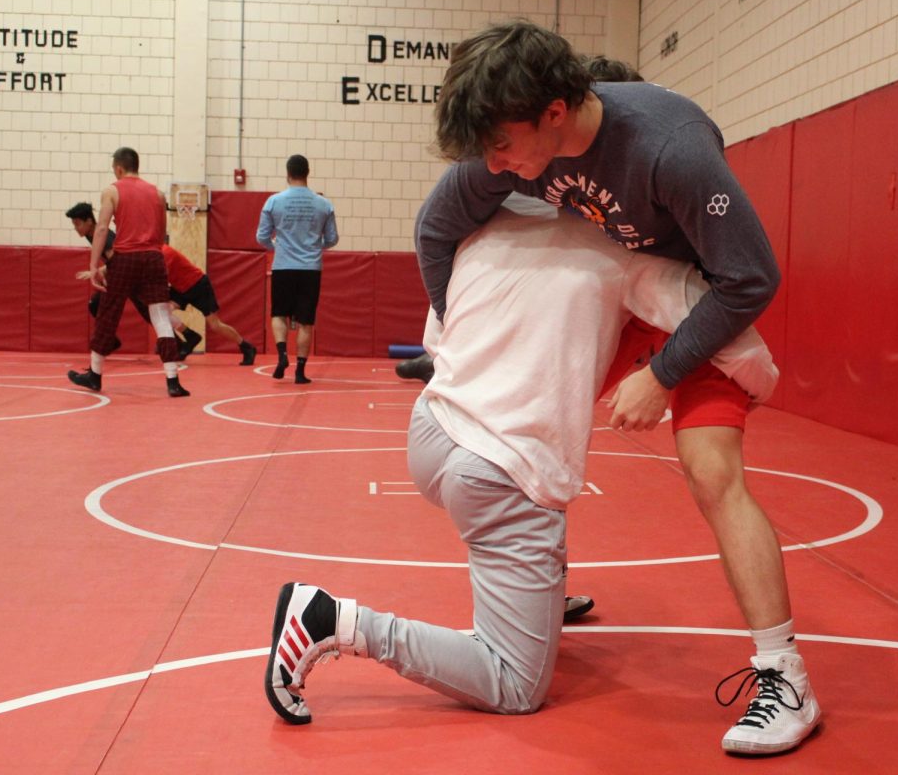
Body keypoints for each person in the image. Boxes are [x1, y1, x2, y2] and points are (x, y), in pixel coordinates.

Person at [410, 21, 818, 756]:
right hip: (618, 290)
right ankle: (538, 586)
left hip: (691, 306)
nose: (494, 164)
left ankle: (785, 677)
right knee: (522, 422)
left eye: (502, 145)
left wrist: (662, 377)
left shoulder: (671, 150)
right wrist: (458, 331)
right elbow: (435, 226)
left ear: (555, 115)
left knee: (712, 473)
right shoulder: (510, 143)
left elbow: (751, 278)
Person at [264, 197, 779, 728]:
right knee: (514, 683)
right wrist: (760, 387)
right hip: (500, 471)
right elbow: (729, 331)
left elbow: (434, 339)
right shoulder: (628, 258)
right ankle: (330, 620)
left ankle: (542, 593)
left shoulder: (485, 229)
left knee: (527, 484)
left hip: (433, 433)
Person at [392, 53, 642, 387]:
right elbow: (432, 228)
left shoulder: (633, 160)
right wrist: (450, 321)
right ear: (560, 115)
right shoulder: (509, 162)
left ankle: (443, 352)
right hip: (486, 309)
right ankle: (441, 352)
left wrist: (660, 374)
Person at [67, 147, 190, 398]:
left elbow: (101, 229)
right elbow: (162, 232)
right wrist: (152, 253)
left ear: (119, 168)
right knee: (161, 317)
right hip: (154, 257)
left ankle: (95, 374)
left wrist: (93, 267)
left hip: (126, 256)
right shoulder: (156, 193)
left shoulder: (112, 190)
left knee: (108, 312)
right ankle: (173, 380)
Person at [256, 154, 339, 384]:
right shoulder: (324, 204)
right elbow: (332, 239)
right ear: (307, 173)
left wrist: (276, 247)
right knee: (306, 321)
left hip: (283, 266)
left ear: (288, 173)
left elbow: (261, 236)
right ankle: (300, 371)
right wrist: (314, 246)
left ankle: (282, 354)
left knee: (278, 314)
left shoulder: (274, 202)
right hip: (310, 268)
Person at [66, 202, 157, 355]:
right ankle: (109, 341)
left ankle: (105, 345)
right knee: (98, 304)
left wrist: (97, 271)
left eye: (78, 224)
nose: (76, 229)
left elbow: (118, 260)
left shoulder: (102, 235)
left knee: (148, 311)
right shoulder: (91, 235)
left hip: (130, 275)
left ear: (89, 221)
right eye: (74, 225)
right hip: (124, 274)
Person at [160, 242, 258, 364]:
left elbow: (160, 278)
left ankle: (246, 346)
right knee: (162, 312)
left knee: (215, 325)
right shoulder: (154, 254)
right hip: (180, 288)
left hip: (198, 285)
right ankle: (190, 336)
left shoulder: (165, 253)